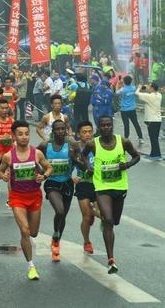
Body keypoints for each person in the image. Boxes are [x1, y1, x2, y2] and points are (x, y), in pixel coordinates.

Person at [81, 115, 141, 274]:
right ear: (99, 128)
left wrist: (127, 164)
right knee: (108, 220)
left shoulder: (123, 142)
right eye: (103, 126)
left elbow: (137, 156)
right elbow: (83, 155)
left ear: (112, 126)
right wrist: (88, 167)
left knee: (114, 221)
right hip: (101, 186)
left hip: (120, 186)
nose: (106, 128)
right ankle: (111, 259)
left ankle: (105, 223)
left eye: (109, 125)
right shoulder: (92, 144)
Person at [0, 120, 52, 280]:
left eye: (27, 134)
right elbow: (0, 171)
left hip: (34, 196)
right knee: (25, 231)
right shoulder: (8, 157)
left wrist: (44, 175)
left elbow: (49, 167)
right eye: (20, 134)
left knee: (33, 232)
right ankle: (31, 266)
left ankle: (29, 247)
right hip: (17, 197)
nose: (24, 137)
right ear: (14, 136)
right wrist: (4, 176)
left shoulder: (37, 154)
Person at [38, 119, 79, 262]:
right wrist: (39, 173)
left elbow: (81, 162)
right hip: (52, 183)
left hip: (67, 183)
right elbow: (35, 159)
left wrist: (76, 159)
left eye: (63, 129)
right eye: (57, 129)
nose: (60, 131)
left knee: (63, 216)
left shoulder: (72, 144)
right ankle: (56, 234)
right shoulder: (45, 145)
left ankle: (56, 242)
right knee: (59, 211)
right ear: (53, 131)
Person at [73, 121, 97, 254]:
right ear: (78, 134)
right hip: (83, 185)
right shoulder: (76, 149)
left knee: (103, 215)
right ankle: (87, 241)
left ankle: (94, 212)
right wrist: (72, 177)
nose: (88, 134)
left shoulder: (99, 146)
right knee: (86, 217)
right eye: (84, 132)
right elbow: (68, 164)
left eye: (90, 131)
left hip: (99, 186)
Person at [136, 83, 163, 160]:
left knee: (153, 138)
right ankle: (154, 154)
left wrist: (139, 87)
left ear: (152, 88)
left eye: (149, 87)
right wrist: (146, 88)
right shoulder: (159, 95)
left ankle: (157, 155)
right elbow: (149, 92)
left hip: (151, 120)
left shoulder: (149, 96)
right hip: (158, 120)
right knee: (155, 138)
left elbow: (136, 94)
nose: (148, 88)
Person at [116, 76, 144, 144]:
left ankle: (126, 138)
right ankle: (140, 138)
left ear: (124, 82)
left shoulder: (122, 90)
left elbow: (116, 93)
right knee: (136, 123)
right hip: (132, 109)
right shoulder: (134, 88)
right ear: (131, 81)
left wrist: (118, 84)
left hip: (124, 110)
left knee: (126, 125)